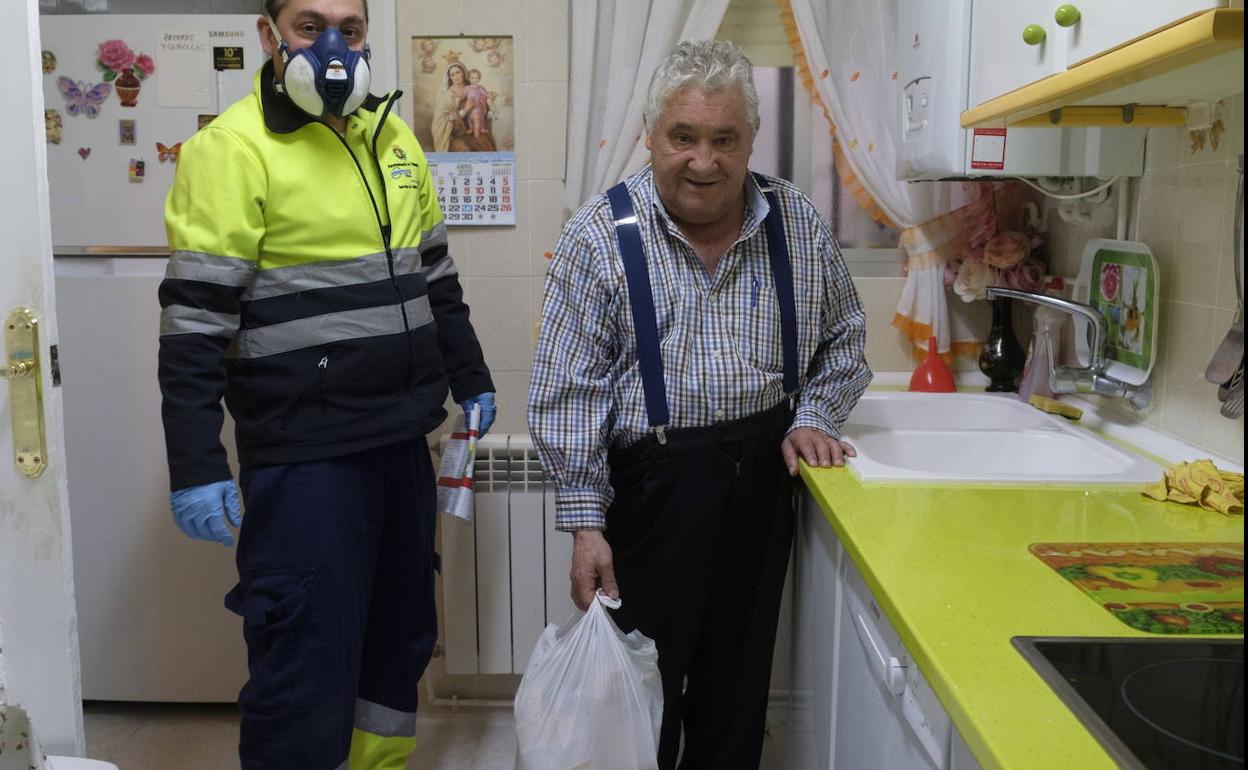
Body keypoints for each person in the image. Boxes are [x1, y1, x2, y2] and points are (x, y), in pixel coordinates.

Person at [156, 0, 495, 767]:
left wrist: (469, 376)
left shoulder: (392, 135)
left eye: (352, 25)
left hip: (402, 440)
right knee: (305, 660)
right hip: (307, 458)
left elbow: (434, 277)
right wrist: (197, 461)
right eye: (311, 26)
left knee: (397, 643)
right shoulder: (231, 148)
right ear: (269, 36)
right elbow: (195, 321)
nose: (335, 45)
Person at [528, 40, 871, 769]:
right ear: (652, 136)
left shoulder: (799, 224)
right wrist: (586, 524)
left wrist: (815, 414)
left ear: (751, 140)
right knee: (636, 702)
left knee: (735, 700)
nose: (704, 161)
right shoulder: (597, 237)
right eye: (683, 137)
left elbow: (845, 340)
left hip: (760, 493)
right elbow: (566, 393)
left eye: (724, 139)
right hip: (650, 500)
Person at [431, 61, 497, 152]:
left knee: (485, 144)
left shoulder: (474, 89)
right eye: (452, 74)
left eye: (458, 72)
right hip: (456, 135)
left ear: (464, 73)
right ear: (450, 78)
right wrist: (465, 110)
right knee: (464, 149)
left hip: (476, 130)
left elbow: (486, 110)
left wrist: (487, 100)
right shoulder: (445, 95)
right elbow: (443, 120)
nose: (456, 76)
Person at [463, 69, 494, 138]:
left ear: (479, 78)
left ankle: (477, 131)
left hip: (478, 107)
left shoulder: (480, 88)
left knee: (477, 118)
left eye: (477, 78)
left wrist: (490, 96)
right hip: (470, 106)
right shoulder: (467, 88)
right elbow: (463, 96)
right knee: (469, 119)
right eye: (472, 78)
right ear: (469, 78)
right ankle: (471, 128)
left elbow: (486, 94)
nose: (475, 80)